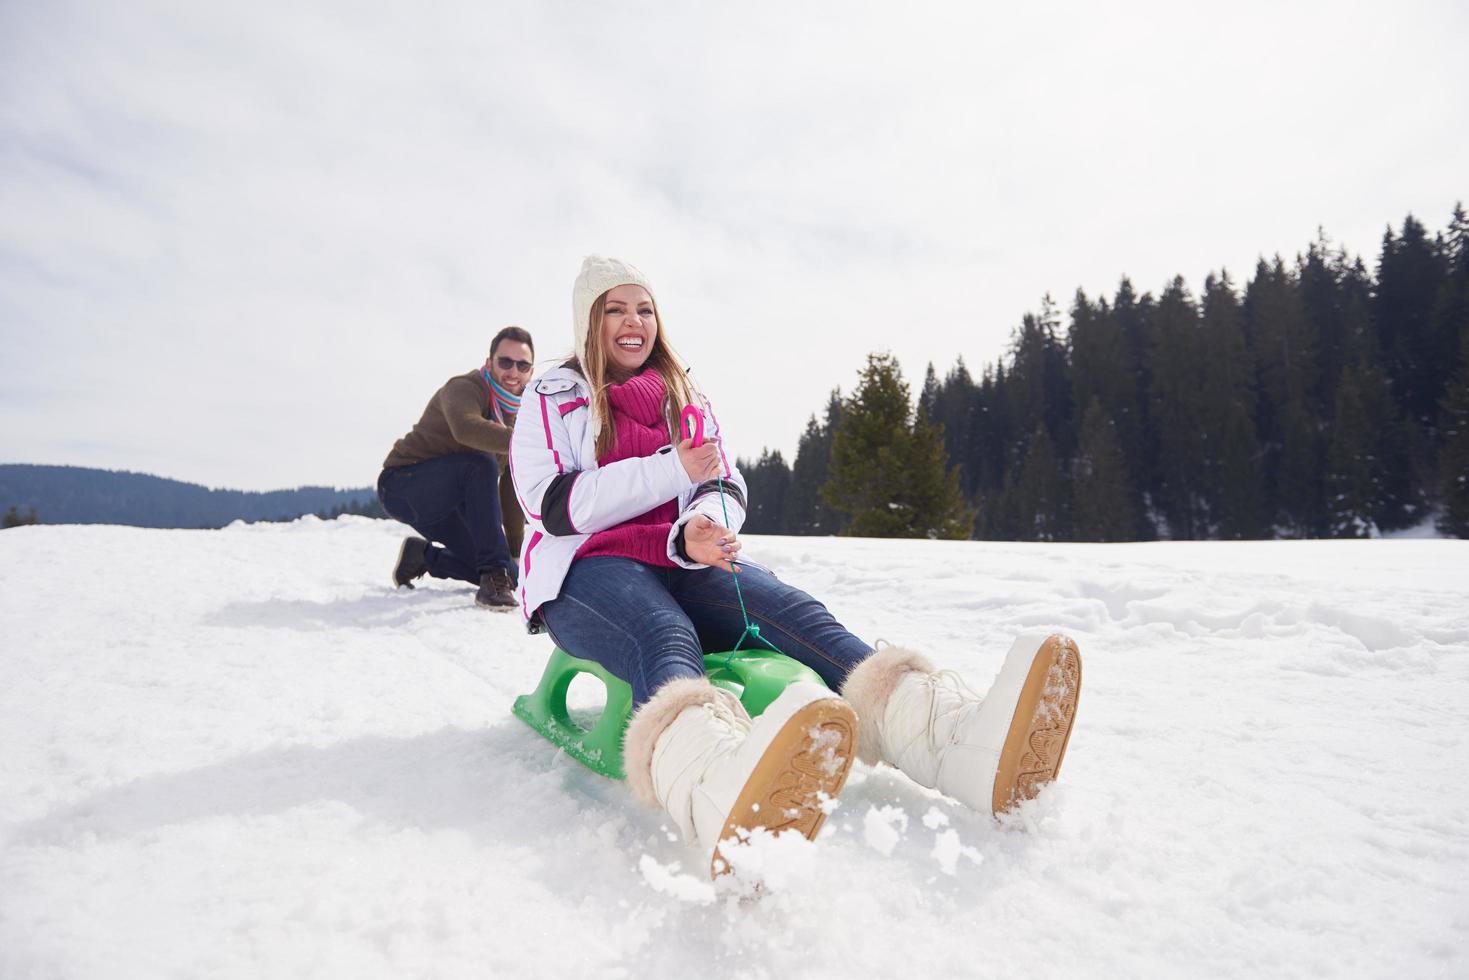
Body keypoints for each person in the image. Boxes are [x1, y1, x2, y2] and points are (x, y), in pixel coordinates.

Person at [510, 257, 1082, 877]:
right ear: (588, 322)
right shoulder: (553, 397)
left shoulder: (684, 395)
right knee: (662, 633)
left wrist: (706, 522)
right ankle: (709, 784)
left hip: (681, 553)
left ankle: (952, 742)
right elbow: (554, 505)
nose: (633, 323)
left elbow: (724, 479)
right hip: (585, 571)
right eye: (615, 310)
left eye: (644, 309)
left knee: (797, 615)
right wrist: (675, 470)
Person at [378, 326, 535, 609]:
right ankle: (491, 579)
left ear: (530, 372)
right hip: (404, 485)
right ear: (489, 363)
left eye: (522, 365)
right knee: (480, 463)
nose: (513, 371)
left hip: (452, 506)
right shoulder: (464, 387)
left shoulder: (516, 416)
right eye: (505, 362)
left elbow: (511, 482)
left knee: (510, 574)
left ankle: (424, 557)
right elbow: (465, 428)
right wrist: (526, 443)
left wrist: (511, 551)